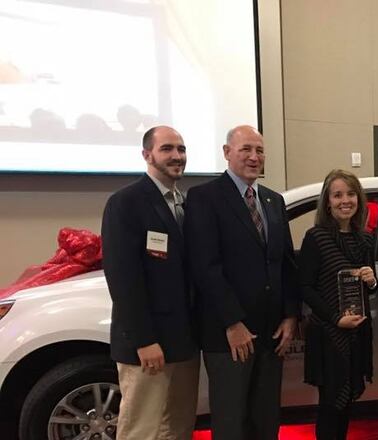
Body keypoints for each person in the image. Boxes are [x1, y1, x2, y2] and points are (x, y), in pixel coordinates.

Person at [184, 125, 299, 440]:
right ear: (226, 153)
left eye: (259, 151)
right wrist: (232, 322)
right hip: (229, 334)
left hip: (271, 333)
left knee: (266, 418)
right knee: (231, 419)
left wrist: (290, 316)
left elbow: (285, 263)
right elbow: (205, 267)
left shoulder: (273, 201)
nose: (254, 157)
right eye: (246, 149)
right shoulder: (204, 198)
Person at [102, 126, 199, 440]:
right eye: (167, 148)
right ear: (147, 155)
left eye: (181, 149)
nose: (177, 156)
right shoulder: (126, 203)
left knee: (179, 426)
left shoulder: (182, 204)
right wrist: (144, 340)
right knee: (142, 429)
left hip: (183, 341)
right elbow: (123, 278)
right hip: (149, 344)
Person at [298, 169, 377, 440]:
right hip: (330, 334)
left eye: (351, 194)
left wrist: (371, 281)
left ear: (359, 199)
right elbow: (306, 288)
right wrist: (335, 318)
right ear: (327, 201)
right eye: (338, 195)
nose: (346, 200)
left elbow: (371, 289)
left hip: (357, 333)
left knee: (347, 406)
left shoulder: (365, 239)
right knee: (331, 405)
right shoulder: (316, 238)